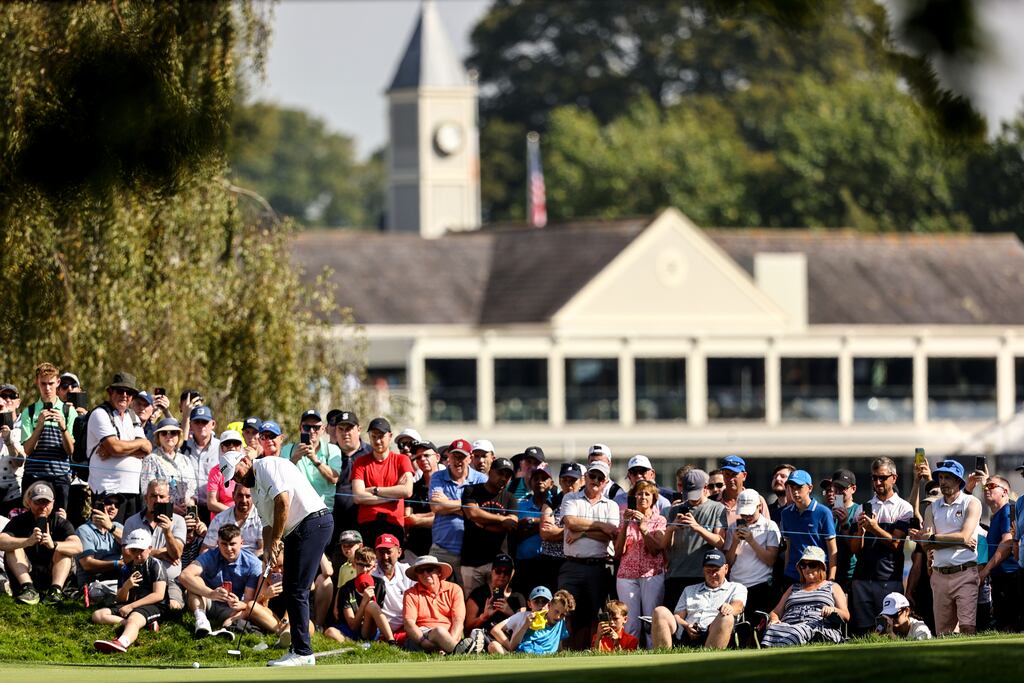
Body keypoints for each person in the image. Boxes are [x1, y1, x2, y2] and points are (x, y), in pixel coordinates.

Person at [220, 442, 334, 666]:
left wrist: (277, 542)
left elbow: (283, 502)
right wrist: (269, 551)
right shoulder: (254, 488)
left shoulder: (267, 466)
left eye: (238, 474)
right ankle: (299, 649)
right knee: (293, 589)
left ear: (244, 461)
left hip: (313, 523)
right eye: (234, 479)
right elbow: (267, 525)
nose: (238, 480)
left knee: (297, 589)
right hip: (299, 529)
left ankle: (303, 653)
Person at [909, 459, 981, 635]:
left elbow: (964, 535)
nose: (943, 481)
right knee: (943, 632)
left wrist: (935, 539)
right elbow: (926, 543)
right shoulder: (931, 508)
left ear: (958, 480)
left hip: (965, 573)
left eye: (948, 477)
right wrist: (956, 540)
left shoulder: (971, 502)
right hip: (939, 575)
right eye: (940, 477)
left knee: (967, 627)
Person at [848, 456, 914, 635]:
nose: (877, 482)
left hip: (888, 579)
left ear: (894, 478)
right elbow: (855, 549)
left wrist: (874, 528)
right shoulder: (864, 507)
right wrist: (861, 531)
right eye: (874, 477)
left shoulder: (904, 508)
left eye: (882, 477)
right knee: (864, 630)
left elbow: (896, 544)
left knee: (890, 629)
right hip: (862, 578)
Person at [558, 460, 619, 650]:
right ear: (585, 477)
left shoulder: (611, 505)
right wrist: (600, 525)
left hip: (598, 566)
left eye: (600, 478)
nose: (595, 480)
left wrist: (583, 532)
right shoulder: (570, 498)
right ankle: (564, 651)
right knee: (564, 610)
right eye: (592, 476)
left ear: (605, 482)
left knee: (598, 612)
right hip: (572, 564)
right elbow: (571, 522)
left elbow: (610, 535)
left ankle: (595, 650)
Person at [179, 523, 269, 639]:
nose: (228, 549)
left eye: (232, 544)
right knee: (194, 582)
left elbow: (248, 601)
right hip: (208, 601)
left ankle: (227, 627)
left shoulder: (253, 564)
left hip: (232, 609)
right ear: (218, 543)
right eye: (224, 544)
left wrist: (237, 603)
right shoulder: (211, 555)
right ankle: (201, 621)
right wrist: (211, 593)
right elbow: (184, 575)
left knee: (248, 609)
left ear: (242, 543)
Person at [0, 481, 82, 605]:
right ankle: (28, 589)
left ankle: (55, 592)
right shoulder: (19, 520)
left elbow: (78, 547)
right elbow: (1, 541)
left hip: (52, 572)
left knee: (64, 551)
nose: (42, 506)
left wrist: (53, 545)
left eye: (46, 502)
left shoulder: (60, 522)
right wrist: (27, 542)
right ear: (29, 502)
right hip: (26, 572)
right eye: (38, 502)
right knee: (13, 548)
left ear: (53, 503)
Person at [86, 372, 152, 521]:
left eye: (129, 392)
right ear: (110, 392)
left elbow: (146, 448)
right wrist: (124, 447)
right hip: (107, 493)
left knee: (130, 540)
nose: (124, 395)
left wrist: (117, 450)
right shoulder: (100, 414)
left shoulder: (132, 416)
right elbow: (115, 447)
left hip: (133, 491)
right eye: (120, 391)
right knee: (108, 539)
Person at [651, 550, 745, 650]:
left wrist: (730, 608)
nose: (712, 574)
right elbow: (678, 616)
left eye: (716, 570)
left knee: (727, 617)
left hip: (715, 632)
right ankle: (664, 658)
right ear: (703, 570)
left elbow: (739, 606)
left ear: (726, 569)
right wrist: (686, 626)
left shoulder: (736, 587)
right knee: (660, 611)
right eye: (708, 571)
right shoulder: (689, 590)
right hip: (687, 633)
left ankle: (711, 660)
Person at [91, 528, 166, 653]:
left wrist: (131, 606)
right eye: (133, 550)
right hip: (130, 605)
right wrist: (126, 586)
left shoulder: (156, 565)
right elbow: (120, 599)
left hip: (153, 605)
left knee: (134, 618)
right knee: (97, 615)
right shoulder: (126, 568)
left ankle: (122, 642)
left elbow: (158, 595)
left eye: (141, 550)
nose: (137, 554)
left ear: (149, 548)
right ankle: (140, 624)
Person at [662, 468, 727, 612]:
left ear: (705, 487)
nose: (691, 498)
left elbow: (720, 542)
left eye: (695, 493)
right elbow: (665, 546)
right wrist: (672, 528)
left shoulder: (718, 508)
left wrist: (697, 527)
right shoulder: (675, 510)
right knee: (672, 621)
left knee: (697, 622)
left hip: (701, 576)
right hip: (676, 575)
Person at [761, 546, 850, 647]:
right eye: (803, 565)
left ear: (821, 567)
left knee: (795, 632)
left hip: (817, 627)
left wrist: (833, 610)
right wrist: (774, 619)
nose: (807, 569)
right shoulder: (793, 587)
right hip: (788, 626)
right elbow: (775, 612)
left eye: (812, 565)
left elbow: (846, 615)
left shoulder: (832, 586)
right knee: (772, 629)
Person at [19, 363, 76, 513]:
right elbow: (28, 450)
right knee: (31, 524)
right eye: (43, 384)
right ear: (37, 382)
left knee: (60, 523)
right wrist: (39, 426)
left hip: (60, 478)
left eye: (51, 383)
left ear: (58, 382)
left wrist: (63, 427)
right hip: (34, 476)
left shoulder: (69, 411)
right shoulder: (29, 412)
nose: (47, 388)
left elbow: (70, 451)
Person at [614, 479, 667, 641]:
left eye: (647, 494)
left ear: (654, 499)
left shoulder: (659, 520)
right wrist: (625, 525)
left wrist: (643, 527)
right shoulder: (625, 518)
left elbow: (655, 549)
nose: (642, 497)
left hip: (651, 573)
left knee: (651, 619)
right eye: (639, 494)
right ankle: (630, 654)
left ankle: (654, 653)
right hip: (626, 575)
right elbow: (618, 552)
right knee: (630, 622)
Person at [428, 438, 486, 584]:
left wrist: (446, 503)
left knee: (466, 597)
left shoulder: (481, 479)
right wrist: (468, 508)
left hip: (471, 550)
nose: (458, 461)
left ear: (470, 458)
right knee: (434, 592)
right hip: (442, 548)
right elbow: (436, 507)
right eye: (454, 456)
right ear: (448, 457)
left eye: (462, 457)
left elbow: (481, 511)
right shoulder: (438, 476)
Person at [122, 479, 186, 610]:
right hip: (141, 579)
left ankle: (150, 610)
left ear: (168, 499)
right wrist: (160, 553)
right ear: (146, 498)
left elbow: (175, 554)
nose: (157, 500)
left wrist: (168, 532)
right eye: (153, 496)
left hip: (170, 579)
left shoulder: (179, 521)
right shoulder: (132, 522)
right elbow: (127, 556)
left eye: (162, 496)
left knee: (174, 607)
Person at [351, 417, 414, 545]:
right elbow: (358, 497)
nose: (377, 441)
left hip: (393, 523)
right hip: (368, 523)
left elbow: (407, 491)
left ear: (390, 436)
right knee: (368, 563)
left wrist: (375, 490)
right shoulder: (360, 462)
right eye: (373, 436)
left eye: (381, 436)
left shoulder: (402, 460)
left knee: (391, 563)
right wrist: (393, 496)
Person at [460, 456, 517, 591]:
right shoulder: (471, 490)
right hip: (471, 560)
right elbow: (473, 514)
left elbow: (512, 523)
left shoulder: (510, 498)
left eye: (508, 475)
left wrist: (483, 523)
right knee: (471, 604)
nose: (504, 478)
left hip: (499, 563)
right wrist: (501, 519)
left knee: (496, 603)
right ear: (490, 472)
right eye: (500, 473)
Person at [724, 487, 781, 621]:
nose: (747, 517)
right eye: (743, 514)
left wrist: (751, 540)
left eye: (750, 512)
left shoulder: (769, 526)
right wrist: (735, 543)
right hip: (736, 584)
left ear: (759, 507)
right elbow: (728, 561)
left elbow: (771, 560)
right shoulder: (733, 526)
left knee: (757, 625)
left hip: (761, 584)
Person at [324, 546, 396, 644]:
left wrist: (368, 602)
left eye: (368, 565)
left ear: (374, 567)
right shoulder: (347, 588)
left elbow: (376, 615)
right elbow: (352, 625)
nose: (364, 569)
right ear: (354, 565)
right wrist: (364, 602)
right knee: (330, 632)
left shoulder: (379, 584)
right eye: (360, 565)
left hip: (368, 629)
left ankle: (391, 641)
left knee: (372, 605)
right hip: (350, 629)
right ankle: (356, 645)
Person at [779, 469, 837, 585]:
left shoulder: (823, 512)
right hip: (792, 575)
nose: (795, 492)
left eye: (799, 487)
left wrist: (831, 578)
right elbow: (789, 547)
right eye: (792, 487)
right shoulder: (786, 513)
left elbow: (832, 549)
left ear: (810, 488)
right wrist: (786, 572)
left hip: (817, 576)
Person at [402, 555, 467, 654]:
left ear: (439, 572)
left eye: (429, 569)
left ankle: (449, 649)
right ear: (417, 576)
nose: (425, 574)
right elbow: (409, 623)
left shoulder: (454, 589)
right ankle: (461, 653)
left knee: (441, 632)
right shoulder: (410, 593)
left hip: (450, 634)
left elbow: (458, 620)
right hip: (422, 635)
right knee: (439, 631)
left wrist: (449, 641)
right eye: (420, 571)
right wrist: (423, 642)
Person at [978, 475, 1019, 632]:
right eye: (984, 487)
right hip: (1000, 578)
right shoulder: (996, 516)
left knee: (1012, 625)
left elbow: (1007, 543)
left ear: (1005, 491)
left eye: (992, 486)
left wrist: (985, 571)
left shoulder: (1007, 510)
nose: (986, 489)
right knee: (1003, 624)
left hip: (1011, 577)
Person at [282, 409, 341, 508]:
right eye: (307, 427)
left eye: (316, 427)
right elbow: (281, 479)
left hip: (324, 510)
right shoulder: (288, 449)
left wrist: (315, 460)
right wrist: (295, 459)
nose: (312, 431)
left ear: (322, 429)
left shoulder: (332, 450)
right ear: (300, 428)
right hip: (297, 511)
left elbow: (334, 478)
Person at [538, 462, 583, 591]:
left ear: (581, 481)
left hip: (575, 561)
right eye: (565, 480)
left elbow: (589, 527)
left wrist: (559, 531)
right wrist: (574, 530)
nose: (569, 485)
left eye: (573, 480)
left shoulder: (585, 504)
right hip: (551, 561)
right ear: (559, 481)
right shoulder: (552, 502)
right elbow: (545, 532)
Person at [464, 553, 525, 646]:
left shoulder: (518, 597)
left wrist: (510, 613)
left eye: (507, 572)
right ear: (492, 572)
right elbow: (467, 629)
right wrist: (483, 617)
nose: (502, 575)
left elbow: (524, 627)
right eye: (498, 571)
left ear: (512, 574)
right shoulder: (478, 593)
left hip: (507, 640)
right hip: (482, 638)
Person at [139, 418, 198, 513]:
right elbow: (147, 491)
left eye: (173, 432)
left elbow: (194, 491)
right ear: (158, 437)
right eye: (164, 433)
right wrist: (172, 508)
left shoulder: (186, 460)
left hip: (185, 514)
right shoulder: (151, 459)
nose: (169, 436)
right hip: (160, 514)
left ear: (179, 436)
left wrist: (189, 504)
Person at [330, 410, 370, 541]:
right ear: (335, 432)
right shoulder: (328, 455)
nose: (345, 433)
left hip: (366, 523)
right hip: (335, 524)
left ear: (359, 430)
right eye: (341, 429)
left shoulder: (371, 453)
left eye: (349, 428)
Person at [513, 463, 553, 595]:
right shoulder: (520, 506)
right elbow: (515, 535)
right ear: (530, 483)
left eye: (544, 479)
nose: (540, 481)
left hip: (548, 564)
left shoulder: (558, 504)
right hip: (524, 564)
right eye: (536, 479)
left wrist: (531, 522)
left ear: (551, 484)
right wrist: (542, 526)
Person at [820, 469, 861, 592]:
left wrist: (844, 523)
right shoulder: (826, 512)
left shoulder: (858, 511)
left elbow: (856, 548)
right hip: (827, 571)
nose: (837, 492)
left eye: (842, 488)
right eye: (835, 488)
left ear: (853, 489)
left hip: (850, 574)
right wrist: (830, 519)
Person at [75, 491, 125, 587]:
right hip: (94, 582)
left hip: (117, 577)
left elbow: (132, 546)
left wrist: (111, 528)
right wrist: (116, 563)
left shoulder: (117, 527)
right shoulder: (84, 530)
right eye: (108, 502)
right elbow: (87, 564)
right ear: (97, 505)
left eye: (117, 504)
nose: (113, 507)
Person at [371, 533, 413, 643]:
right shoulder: (370, 572)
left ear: (399, 552)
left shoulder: (407, 571)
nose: (385, 557)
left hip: (406, 625)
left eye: (389, 552)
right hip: (377, 628)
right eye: (381, 552)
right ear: (375, 553)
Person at [508, 588, 575, 654]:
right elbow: (512, 647)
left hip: (548, 659)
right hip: (530, 655)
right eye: (556, 611)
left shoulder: (561, 622)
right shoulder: (535, 619)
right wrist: (525, 625)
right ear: (549, 605)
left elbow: (559, 645)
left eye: (563, 614)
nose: (558, 617)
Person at [182, 405, 219, 521]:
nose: (201, 425)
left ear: (213, 424)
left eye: (205, 422)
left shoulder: (221, 447)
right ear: (191, 425)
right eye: (197, 422)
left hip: (215, 506)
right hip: (191, 505)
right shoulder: (183, 448)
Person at [204, 482, 263, 555]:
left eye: (248, 496)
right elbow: (206, 548)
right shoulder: (220, 519)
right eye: (240, 495)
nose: (244, 500)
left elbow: (262, 549)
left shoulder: (261, 518)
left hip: (252, 562)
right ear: (233, 495)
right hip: (224, 562)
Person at [488, 585, 551, 654]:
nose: (540, 605)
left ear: (549, 605)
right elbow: (495, 630)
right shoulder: (522, 616)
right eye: (536, 601)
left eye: (544, 602)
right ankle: (511, 659)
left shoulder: (553, 619)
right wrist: (510, 647)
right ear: (529, 604)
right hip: (519, 650)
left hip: (539, 653)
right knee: (493, 645)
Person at [404, 441, 439, 558]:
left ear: (437, 457)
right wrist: (436, 514)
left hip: (442, 548)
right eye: (418, 457)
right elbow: (408, 518)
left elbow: (448, 516)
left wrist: (418, 519)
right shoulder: (413, 488)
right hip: (415, 549)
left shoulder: (449, 485)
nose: (422, 459)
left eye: (427, 455)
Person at [718, 456, 770, 525]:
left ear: (744, 476)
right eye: (727, 474)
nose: (731, 479)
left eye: (734, 474)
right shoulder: (713, 500)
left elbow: (767, 529)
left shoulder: (757, 499)